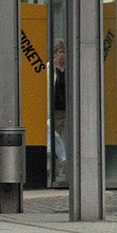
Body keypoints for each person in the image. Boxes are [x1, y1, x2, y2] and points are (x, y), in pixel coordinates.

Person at [51, 39, 67, 186]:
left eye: (64, 52)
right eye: (60, 52)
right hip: (55, 110)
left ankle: (65, 171)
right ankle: (54, 171)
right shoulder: (50, 70)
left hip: (67, 110)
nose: (62, 55)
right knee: (56, 141)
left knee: (66, 141)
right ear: (55, 54)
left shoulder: (69, 69)